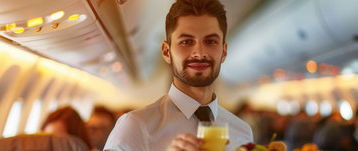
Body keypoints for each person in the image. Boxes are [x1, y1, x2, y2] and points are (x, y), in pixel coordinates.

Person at [103, 0, 253, 150]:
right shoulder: (135, 126)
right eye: (186, 41)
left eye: (210, 41)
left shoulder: (242, 132)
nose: (199, 53)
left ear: (224, 51)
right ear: (166, 52)